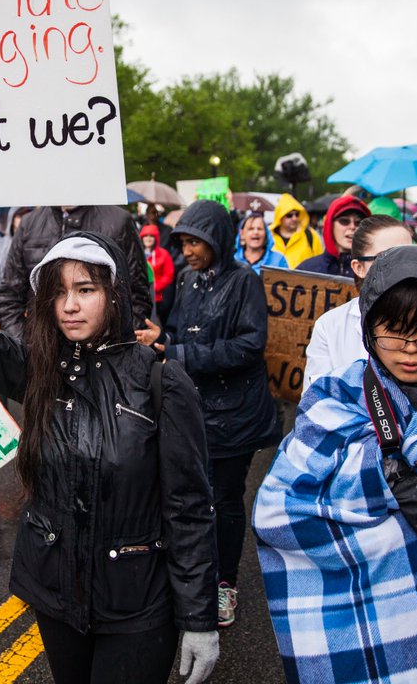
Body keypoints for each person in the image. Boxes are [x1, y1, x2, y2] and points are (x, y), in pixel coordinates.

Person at [0, 185, 219, 684]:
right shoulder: (40, 371)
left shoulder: (161, 381)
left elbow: (190, 508)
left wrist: (199, 618)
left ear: (114, 293)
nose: (70, 305)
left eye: (85, 289)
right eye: (58, 292)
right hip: (56, 593)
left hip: (137, 603)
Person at [254, 244, 417, 684]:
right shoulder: (334, 394)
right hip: (358, 610)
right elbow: (280, 509)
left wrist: (396, 490)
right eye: (393, 333)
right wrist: (405, 486)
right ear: (368, 330)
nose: (410, 350)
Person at [136, 198, 281, 629]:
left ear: (217, 239)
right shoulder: (186, 280)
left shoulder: (245, 283)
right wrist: (163, 338)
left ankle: (225, 583)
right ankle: (194, 574)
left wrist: (179, 351)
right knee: (193, 495)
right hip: (195, 410)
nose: (188, 251)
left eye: (195, 242)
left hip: (236, 414)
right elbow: (180, 331)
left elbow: (250, 346)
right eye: (182, 242)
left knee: (225, 498)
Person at [305, 215, 417, 384]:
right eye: (385, 259)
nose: (402, 267)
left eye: (410, 256)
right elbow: (317, 401)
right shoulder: (330, 327)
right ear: (358, 267)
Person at [0, 204, 152, 340]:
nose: (69, 307)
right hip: (44, 361)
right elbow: (9, 296)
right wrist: (29, 348)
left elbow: (137, 294)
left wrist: (114, 349)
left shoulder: (119, 221)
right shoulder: (29, 224)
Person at [296, 194, 371, 278]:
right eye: (344, 221)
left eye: (358, 223)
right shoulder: (307, 270)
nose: (352, 227)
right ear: (330, 226)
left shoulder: (374, 272)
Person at [0, 206, 31, 326]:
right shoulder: (0, 244)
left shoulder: (38, 243)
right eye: (20, 215)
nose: (25, 218)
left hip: (34, 308)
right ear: (12, 219)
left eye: (28, 214)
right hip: (8, 307)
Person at [269, 193, 322, 268]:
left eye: (297, 214)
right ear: (280, 217)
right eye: (289, 215)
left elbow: (320, 263)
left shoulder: (310, 235)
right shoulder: (269, 237)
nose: (294, 218)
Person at [140, 223, 175, 316]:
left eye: (151, 236)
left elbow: (169, 274)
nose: (148, 238)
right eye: (145, 236)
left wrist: (156, 287)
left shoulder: (164, 254)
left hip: (159, 297)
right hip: (141, 296)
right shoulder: (137, 254)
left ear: (156, 238)